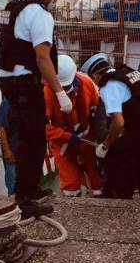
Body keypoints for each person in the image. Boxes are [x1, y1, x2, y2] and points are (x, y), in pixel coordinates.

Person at [0, 0, 73, 217]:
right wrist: (60, 92)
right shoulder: (40, 14)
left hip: (7, 81)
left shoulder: (14, 5)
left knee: (24, 137)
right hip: (25, 83)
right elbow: (42, 57)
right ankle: (25, 199)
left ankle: (27, 188)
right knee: (35, 141)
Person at [80, 54, 140, 200]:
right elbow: (136, 109)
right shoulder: (128, 73)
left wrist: (105, 145)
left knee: (113, 153)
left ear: (96, 76)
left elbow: (118, 122)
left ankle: (121, 199)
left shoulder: (109, 86)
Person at [44, 55, 105, 198]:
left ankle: (101, 206)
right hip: (62, 141)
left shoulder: (87, 83)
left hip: (87, 137)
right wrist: (66, 137)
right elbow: (42, 127)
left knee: (97, 181)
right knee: (70, 186)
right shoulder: (46, 91)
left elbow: (98, 110)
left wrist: (101, 137)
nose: (64, 89)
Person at [0, 98, 18, 197]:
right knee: (13, 184)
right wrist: (7, 150)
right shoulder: (7, 102)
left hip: (26, 151)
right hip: (13, 150)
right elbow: (0, 127)